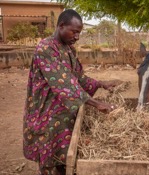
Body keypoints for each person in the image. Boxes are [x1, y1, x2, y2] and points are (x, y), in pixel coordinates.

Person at [23, 9, 121, 175]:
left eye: (79, 33)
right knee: (50, 159)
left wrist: (102, 84)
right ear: (61, 26)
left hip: (64, 112)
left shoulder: (69, 50)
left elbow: (78, 78)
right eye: (74, 32)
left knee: (66, 158)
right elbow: (65, 83)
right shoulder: (45, 48)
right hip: (47, 114)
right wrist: (96, 104)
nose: (77, 37)